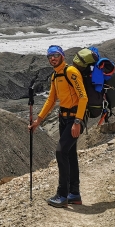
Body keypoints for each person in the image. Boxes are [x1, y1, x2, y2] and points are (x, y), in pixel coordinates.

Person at [29, 45, 88, 208]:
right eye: (49, 57)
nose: (52, 59)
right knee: (69, 155)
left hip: (75, 119)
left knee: (61, 152)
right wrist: (38, 121)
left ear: (62, 56)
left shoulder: (71, 72)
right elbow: (51, 100)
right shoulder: (55, 76)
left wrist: (77, 121)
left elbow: (83, 98)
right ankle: (74, 194)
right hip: (64, 118)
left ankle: (62, 195)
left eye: (55, 55)